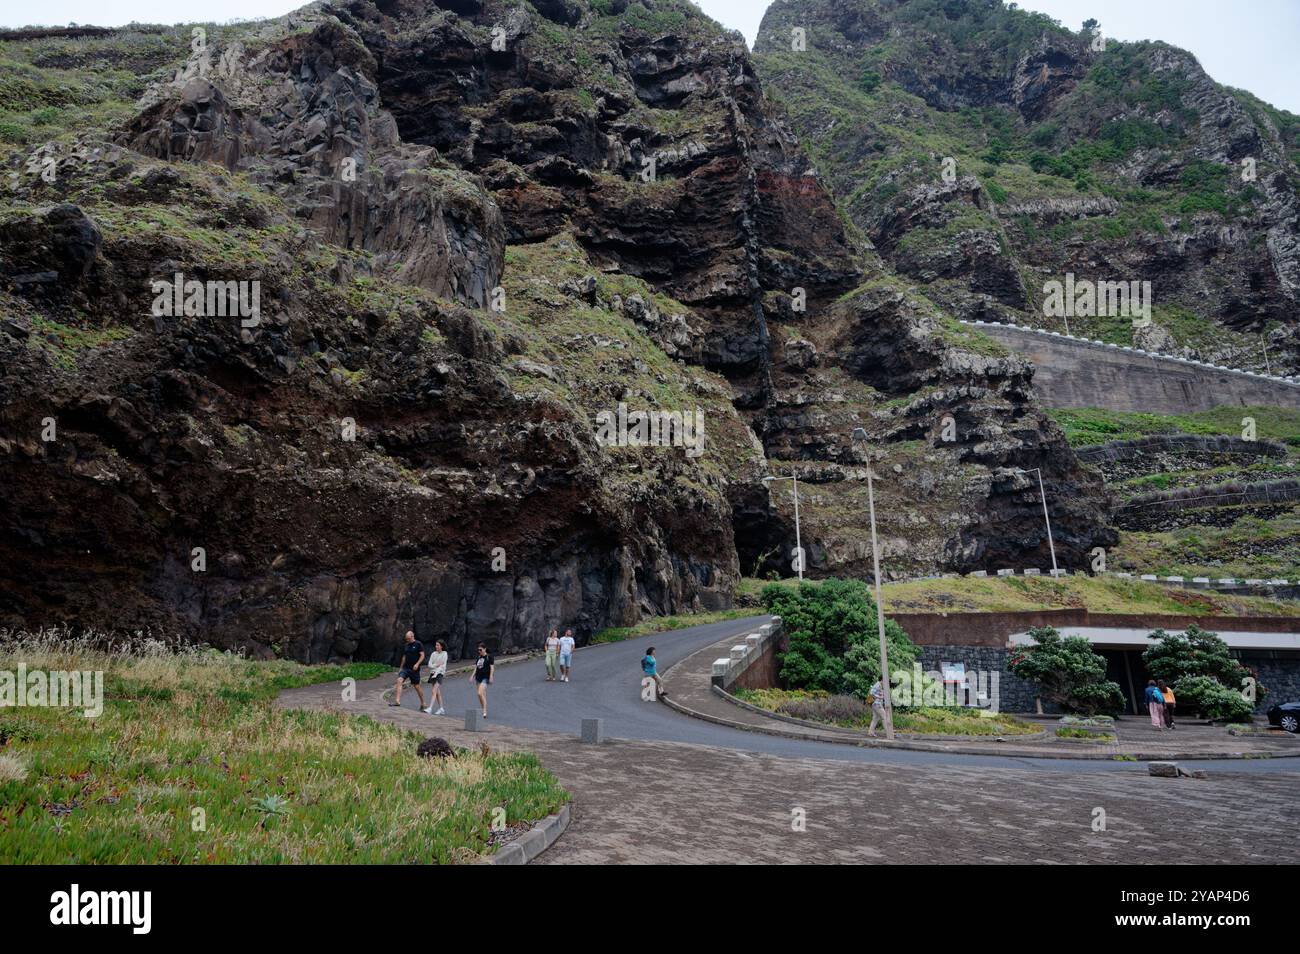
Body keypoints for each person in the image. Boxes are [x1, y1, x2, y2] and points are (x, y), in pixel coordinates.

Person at [391, 630, 425, 710]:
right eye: (406, 639)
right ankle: (397, 701)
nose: (407, 640)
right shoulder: (406, 645)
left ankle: (423, 703)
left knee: (416, 686)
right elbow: (404, 657)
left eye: (408, 639)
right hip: (406, 668)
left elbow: (422, 655)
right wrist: (401, 668)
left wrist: (417, 664)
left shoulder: (418, 644)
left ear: (412, 636)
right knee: (399, 680)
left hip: (414, 670)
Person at [423, 640, 448, 715]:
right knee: (437, 692)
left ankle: (430, 708)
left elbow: (443, 666)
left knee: (434, 691)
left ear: (441, 646)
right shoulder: (433, 654)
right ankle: (441, 708)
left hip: (439, 674)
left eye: (438, 645)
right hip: (433, 673)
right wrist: (436, 665)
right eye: (436, 645)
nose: (436, 646)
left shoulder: (445, 653)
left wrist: (436, 671)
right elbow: (429, 665)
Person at [472, 642, 494, 718]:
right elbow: (476, 667)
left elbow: (492, 667)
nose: (479, 651)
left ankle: (484, 710)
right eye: (478, 650)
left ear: (485, 649)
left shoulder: (489, 657)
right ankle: (483, 710)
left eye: (481, 650)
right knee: (481, 695)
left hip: (485, 677)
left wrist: (491, 676)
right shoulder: (479, 657)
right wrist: (472, 676)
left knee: (479, 693)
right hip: (478, 677)